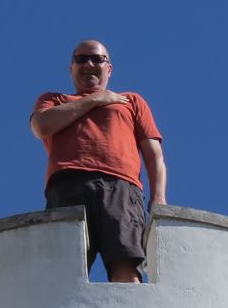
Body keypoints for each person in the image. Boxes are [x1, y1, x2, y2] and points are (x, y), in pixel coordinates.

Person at [30, 39, 167, 282]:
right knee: (62, 270)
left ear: (109, 68)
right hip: (66, 185)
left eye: (97, 59)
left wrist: (158, 198)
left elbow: (153, 154)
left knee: (126, 265)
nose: (89, 64)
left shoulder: (131, 101)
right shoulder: (54, 100)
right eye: (81, 59)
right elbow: (41, 125)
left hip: (120, 186)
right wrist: (95, 99)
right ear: (71, 68)